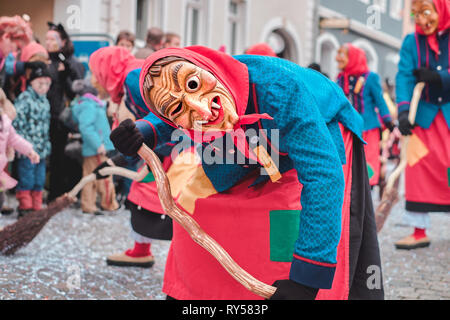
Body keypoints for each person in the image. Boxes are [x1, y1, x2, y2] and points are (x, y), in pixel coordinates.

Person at [110, 46, 384, 300]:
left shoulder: (281, 90)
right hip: (241, 145)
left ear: (211, 70)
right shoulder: (199, 93)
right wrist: (144, 131)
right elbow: (174, 102)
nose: (204, 109)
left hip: (316, 140)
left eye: (195, 83)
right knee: (199, 210)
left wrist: (307, 278)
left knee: (287, 223)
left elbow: (323, 177)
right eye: (180, 108)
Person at [394, 0, 450, 250]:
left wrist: (440, 77)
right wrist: (404, 112)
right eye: (415, 13)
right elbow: (404, 76)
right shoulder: (410, 42)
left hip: (448, 114)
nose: (420, 19)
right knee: (418, 168)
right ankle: (418, 231)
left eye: (426, 12)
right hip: (424, 116)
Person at [336, 43, 395, 187]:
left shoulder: (371, 77)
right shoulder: (341, 78)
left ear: (353, 58)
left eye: (342, 54)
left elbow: (380, 101)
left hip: (368, 129)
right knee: (348, 161)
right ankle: (351, 189)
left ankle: (367, 189)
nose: (337, 58)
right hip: (347, 128)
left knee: (368, 162)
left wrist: (388, 122)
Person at [45, 22, 85, 202]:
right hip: (43, 115)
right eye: (46, 39)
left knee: (58, 155)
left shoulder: (69, 63)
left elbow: (75, 91)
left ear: (62, 41)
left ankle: (57, 193)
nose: (48, 42)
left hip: (60, 117)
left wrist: (64, 74)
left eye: (52, 39)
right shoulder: (43, 59)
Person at [70, 78, 118, 215]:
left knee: (91, 177)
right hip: (97, 149)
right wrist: (98, 145)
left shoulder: (91, 104)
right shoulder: (89, 105)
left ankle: (90, 205)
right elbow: (86, 127)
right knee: (104, 176)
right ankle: (108, 204)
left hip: (96, 147)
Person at [12, 64, 51, 216]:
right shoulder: (25, 99)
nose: (43, 87)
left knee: (39, 178)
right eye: (40, 84)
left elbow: (46, 124)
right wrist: (24, 145)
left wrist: (46, 144)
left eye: (47, 84)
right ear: (32, 83)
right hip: (27, 148)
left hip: (41, 148)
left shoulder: (45, 100)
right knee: (27, 177)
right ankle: (25, 206)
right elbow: (17, 123)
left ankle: (36, 206)